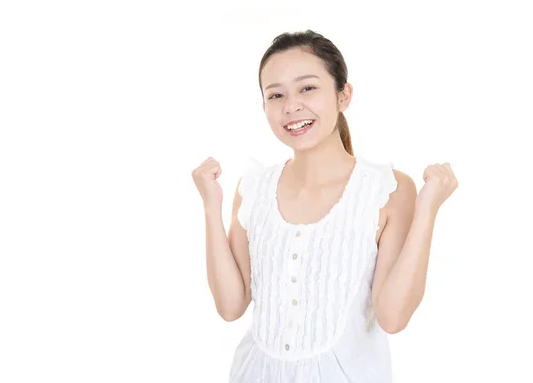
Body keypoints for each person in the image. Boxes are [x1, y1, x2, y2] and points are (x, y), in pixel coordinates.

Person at [192, 29, 458, 382]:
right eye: (276, 95)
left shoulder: (387, 190)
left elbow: (393, 316)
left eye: (308, 88)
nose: (291, 106)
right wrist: (211, 206)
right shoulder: (254, 188)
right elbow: (230, 306)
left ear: (343, 94)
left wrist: (428, 209)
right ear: (264, 107)